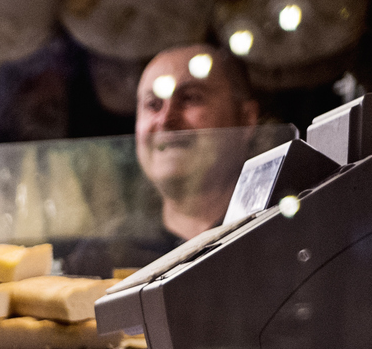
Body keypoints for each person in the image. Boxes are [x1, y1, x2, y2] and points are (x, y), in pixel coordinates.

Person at [63, 44, 262, 279]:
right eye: (153, 104)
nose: (166, 119)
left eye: (190, 98)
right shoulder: (100, 256)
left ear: (247, 119)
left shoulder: (280, 233)